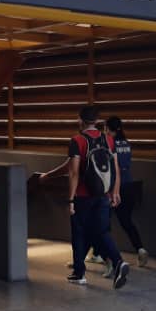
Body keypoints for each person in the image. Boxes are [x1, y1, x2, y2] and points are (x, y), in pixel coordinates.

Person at [41, 106, 130, 288]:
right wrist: (115, 191)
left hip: (83, 196)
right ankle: (118, 260)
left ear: (80, 120)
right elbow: (115, 168)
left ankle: (79, 273)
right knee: (101, 231)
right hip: (103, 193)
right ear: (97, 121)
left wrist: (71, 199)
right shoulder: (108, 139)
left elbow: (73, 172)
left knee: (79, 233)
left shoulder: (77, 141)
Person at [106, 117, 149, 267]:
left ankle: (103, 255)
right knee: (127, 222)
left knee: (104, 223)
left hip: (114, 187)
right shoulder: (126, 143)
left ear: (107, 129)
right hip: (129, 186)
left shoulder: (110, 144)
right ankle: (140, 248)